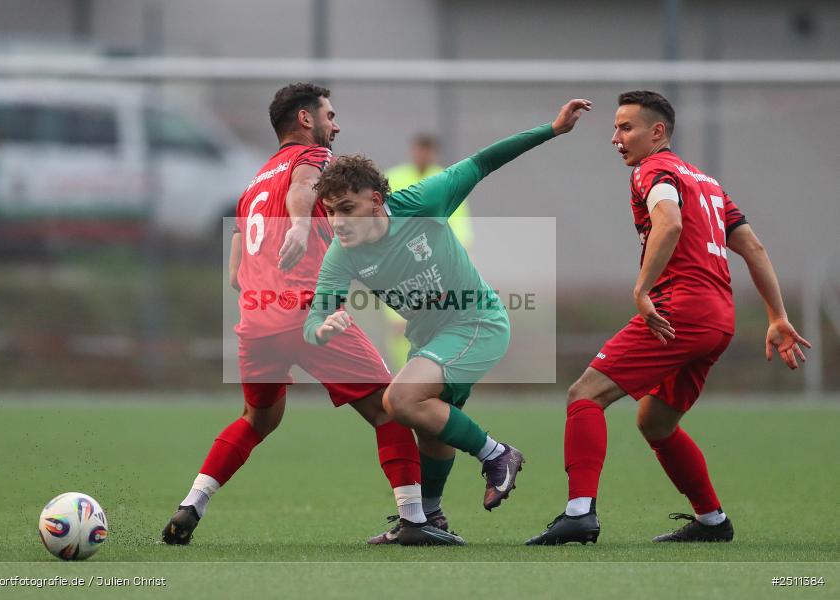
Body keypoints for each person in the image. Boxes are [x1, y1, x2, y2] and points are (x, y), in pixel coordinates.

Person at [162, 82, 462, 547]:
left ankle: (192, 504)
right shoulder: (314, 159)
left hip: (255, 322)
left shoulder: (252, 184)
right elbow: (304, 187)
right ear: (306, 119)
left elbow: (236, 275)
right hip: (306, 312)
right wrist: (302, 227)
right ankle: (414, 520)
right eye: (330, 115)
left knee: (257, 419)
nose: (335, 126)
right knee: (392, 409)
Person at [526, 90, 811, 546]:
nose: (616, 138)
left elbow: (670, 222)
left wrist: (641, 289)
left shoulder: (652, 169)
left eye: (625, 127)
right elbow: (753, 247)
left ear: (657, 132)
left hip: (680, 309)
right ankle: (712, 520)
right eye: (615, 128)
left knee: (584, 395)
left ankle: (579, 514)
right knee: (655, 421)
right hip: (718, 318)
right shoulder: (707, 183)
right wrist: (776, 316)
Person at [303, 99, 592, 543]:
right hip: (428, 339)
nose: (337, 222)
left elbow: (485, 161)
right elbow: (316, 315)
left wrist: (551, 129)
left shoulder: (424, 200)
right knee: (428, 424)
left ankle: (497, 455)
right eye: (330, 211)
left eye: (346, 208)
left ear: (376, 201)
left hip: (477, 323)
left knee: (400, 399)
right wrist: (321, 330)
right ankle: (428, 519)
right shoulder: (342, 254)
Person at [383, 134, 474, 372]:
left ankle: (430, 378)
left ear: (434, 154)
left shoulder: (446, 180)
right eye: (419, 150)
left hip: (435, 269)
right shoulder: (393, 178)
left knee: (435, 327)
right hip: (399, 268)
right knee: (400, 328)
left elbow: (460, 226)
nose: (422, 155)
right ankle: (403, 375)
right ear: (412, 151)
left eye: (427, 151)